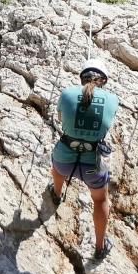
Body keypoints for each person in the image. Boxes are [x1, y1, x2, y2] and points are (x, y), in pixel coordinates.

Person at [49, 59, 121, 259]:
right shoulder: (113, 99)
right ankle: (99, 247)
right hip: (93, 165)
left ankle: (56, 193)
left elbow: (62, 119)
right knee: (100, 200)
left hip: (65, 157)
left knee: (57, 169)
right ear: (103, 81)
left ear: (82, 78)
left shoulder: (67, 94)